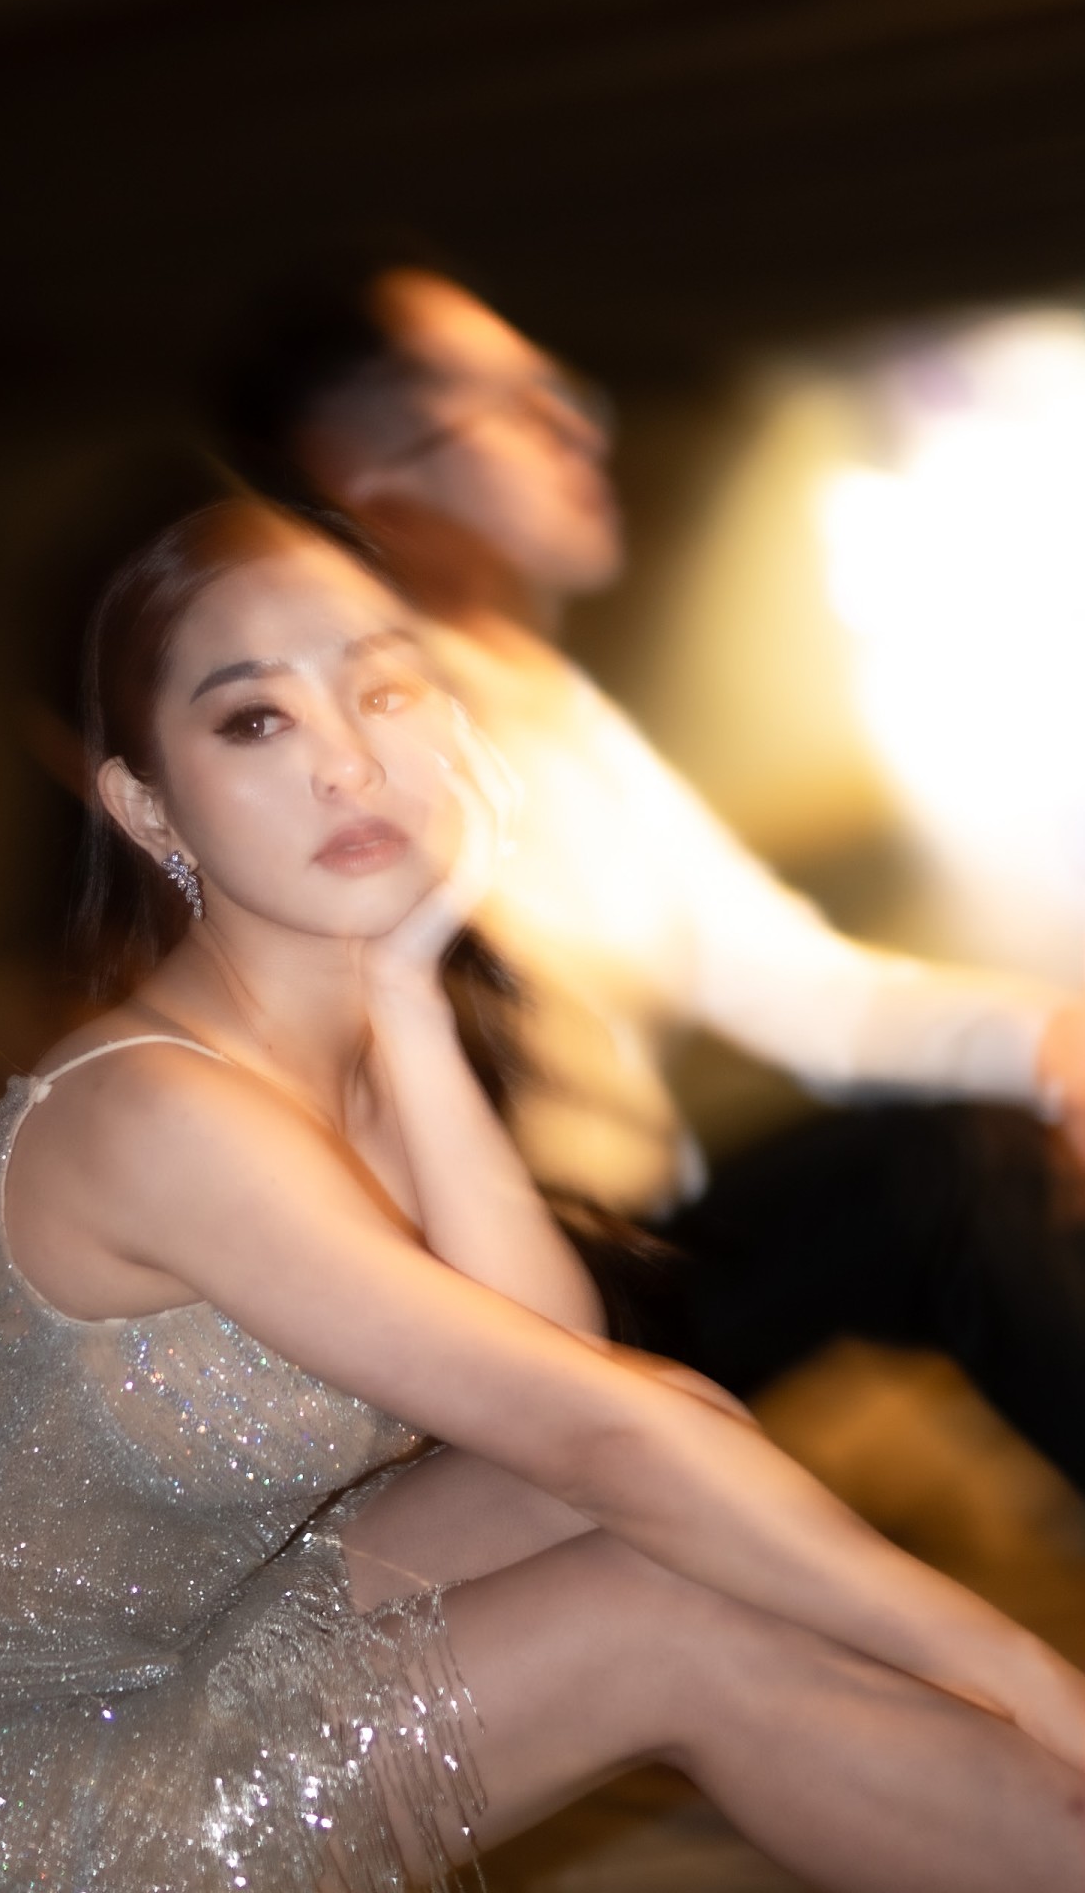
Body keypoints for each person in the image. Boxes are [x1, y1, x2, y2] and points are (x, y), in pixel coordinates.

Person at [0, 494, 1083, 1892]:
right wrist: (1012, 1667)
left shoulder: (359, 1054)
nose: (349, 762)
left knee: (679, 1451)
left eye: (383, 689)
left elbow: (567, 1388)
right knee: (653, 1617)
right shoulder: (153, 1111)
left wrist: (414, 977)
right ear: (145, 806)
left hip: (190, 1637)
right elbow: (592, 1435)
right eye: (257, 720)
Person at [212, 256, 1085, 1490]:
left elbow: (803, 993)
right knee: (936, 1167)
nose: (577, 428)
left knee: (962, 1155)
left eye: (559, 391)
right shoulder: (341, 752)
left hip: (634, 1262)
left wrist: (1047, 1041)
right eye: (511, 406)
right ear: (365, 472)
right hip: (499, 1320)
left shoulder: (539, 703)